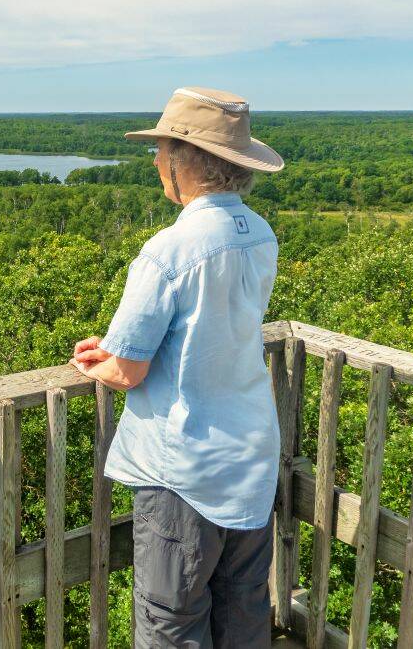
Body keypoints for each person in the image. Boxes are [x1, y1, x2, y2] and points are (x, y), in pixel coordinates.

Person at [70, 86, 285, 649]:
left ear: (183, 163)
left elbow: (129, 372)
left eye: (161, 152)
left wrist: (98, 362)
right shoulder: (260, 234)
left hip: (184, 470)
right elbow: (208, 329)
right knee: (242, 616)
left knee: (172, 622)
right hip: (249, 459)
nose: (157, 163)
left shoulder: (169, 249)